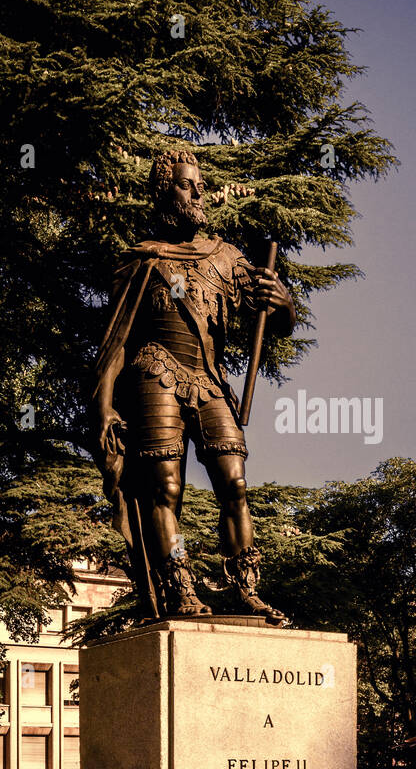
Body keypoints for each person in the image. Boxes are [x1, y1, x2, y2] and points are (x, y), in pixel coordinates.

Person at [92, 148, 295, 623]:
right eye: (186, 184)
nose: (197, 191)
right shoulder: (141, 261)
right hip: (154, 372)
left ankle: (245, 589)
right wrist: (104, 407)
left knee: (235, 483)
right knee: (166, 489)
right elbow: (116, 342)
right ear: (164, 192)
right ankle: (180, 587)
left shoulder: (226, 257)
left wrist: (282, 301)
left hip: (209, 380)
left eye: (198, 184)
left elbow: (275, 320)